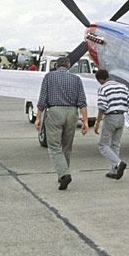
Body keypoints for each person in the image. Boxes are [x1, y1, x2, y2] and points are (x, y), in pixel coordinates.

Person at [35, 57, 88, 190]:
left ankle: (64, 174)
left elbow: (42, 98)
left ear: (56, 66)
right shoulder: (76, 79)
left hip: (55, 111)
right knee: (67, 146)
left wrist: (38, 117)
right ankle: (63, 175)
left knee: (54, 146)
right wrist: (85, 120)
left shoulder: (49, 77)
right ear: (69, 67)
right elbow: (82, 101)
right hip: (72, 113)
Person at [93, 69, 129, 180]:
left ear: (100, 79)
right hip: (121, 117)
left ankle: (118, 163)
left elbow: (102, 107)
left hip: (110, 118)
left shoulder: (103, 88)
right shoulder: (123, 86)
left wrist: (97, 123)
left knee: (103, 145)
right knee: (115, 144)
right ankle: (113, 171)